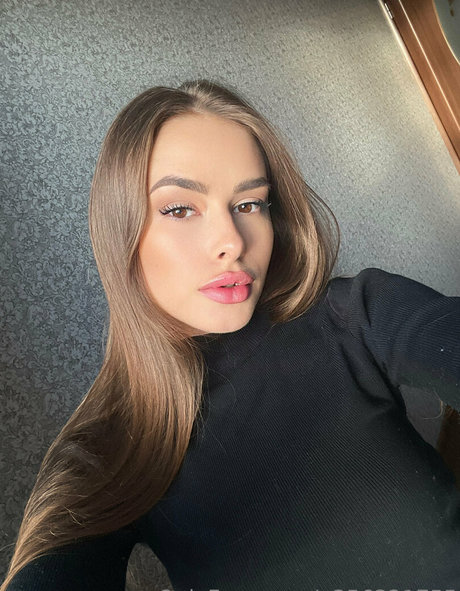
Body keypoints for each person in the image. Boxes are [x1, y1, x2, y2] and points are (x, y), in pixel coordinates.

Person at [2, 79, 459, 591]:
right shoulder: (109, 450)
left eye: (249, 204)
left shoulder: (353, 313)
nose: (232, 241)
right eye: (180, 209)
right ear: (119, 232)